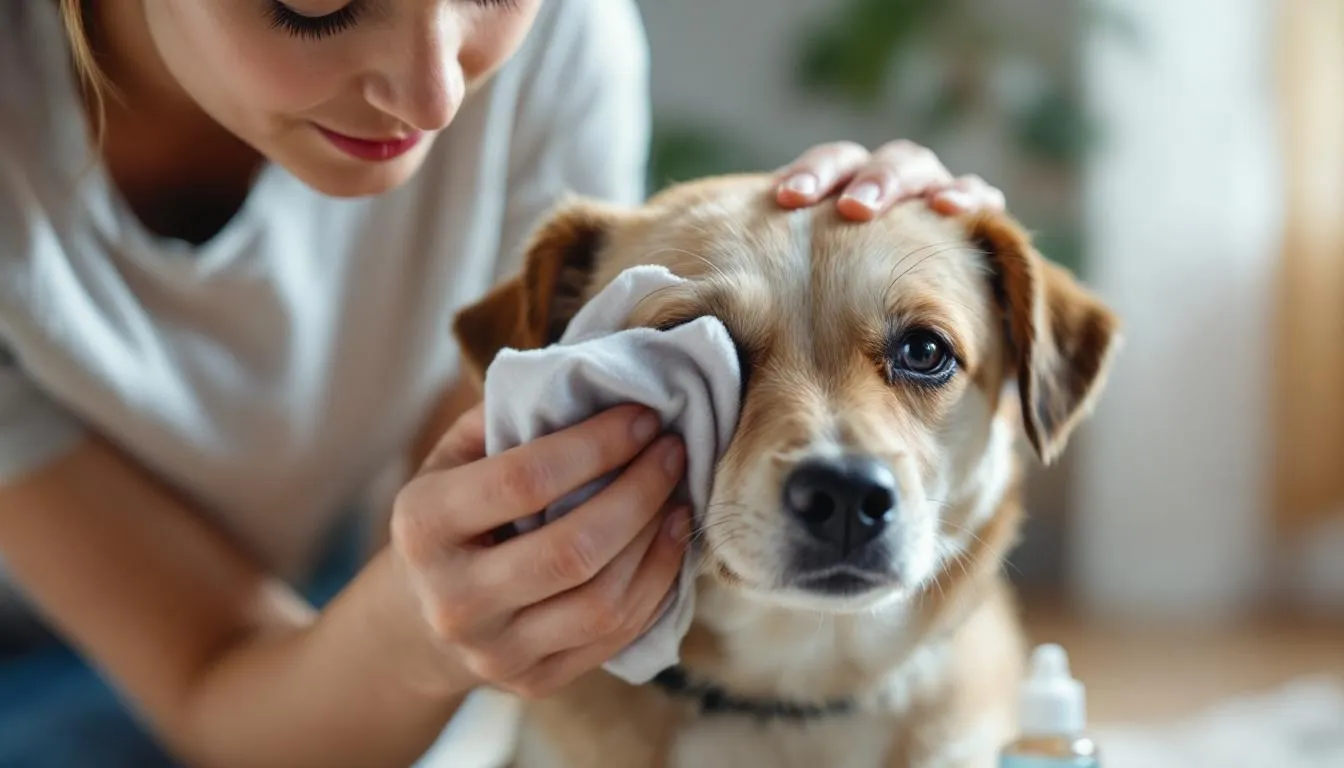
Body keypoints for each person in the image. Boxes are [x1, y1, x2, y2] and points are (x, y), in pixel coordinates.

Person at [0, 1, 1008, 766]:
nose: (436, 93)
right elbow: (219, 682)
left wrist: (902, 260)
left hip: (338, 588)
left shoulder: (556, 39)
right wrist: (426, 629)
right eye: (318, 1)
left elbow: (433, 536)